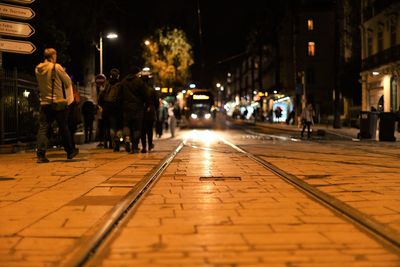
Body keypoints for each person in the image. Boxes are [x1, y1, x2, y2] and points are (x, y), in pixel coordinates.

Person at [35, 48, 79, 163]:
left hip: (44, 103)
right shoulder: (56, 67)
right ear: (52, 56)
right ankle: (70, 152)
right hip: (58, 102)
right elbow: (68, 82)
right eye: (55, 55)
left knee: (43, 128)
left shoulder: (37, 69)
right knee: (63, 127)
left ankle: (41, 155)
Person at [118, 69, 149, 153]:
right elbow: (146, 95)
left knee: (126, 125)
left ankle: (127, 138)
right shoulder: (139, 82)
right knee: (137, 127)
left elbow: (119, 95)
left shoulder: (123, 82)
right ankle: (135, 146)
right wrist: (146, 105)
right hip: (137, 108)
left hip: (126, 107)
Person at [98, 68, 121, 151]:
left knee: (109, 126)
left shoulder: (106, 84)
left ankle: (110, 143)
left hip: (107, 107)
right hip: (117, 108)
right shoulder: (119, 84)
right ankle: (115, 142)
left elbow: (101, 96)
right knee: (117, 126)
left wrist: (102, 105)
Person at [140, 73, 159, 153]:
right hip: (150, 112)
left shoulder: (139, 89)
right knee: (150, 130)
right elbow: (156, 102)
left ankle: (144, 147)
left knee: (142, 130)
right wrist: (155, 109)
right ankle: (150, 145)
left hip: (141, 111)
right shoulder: (152, 89)